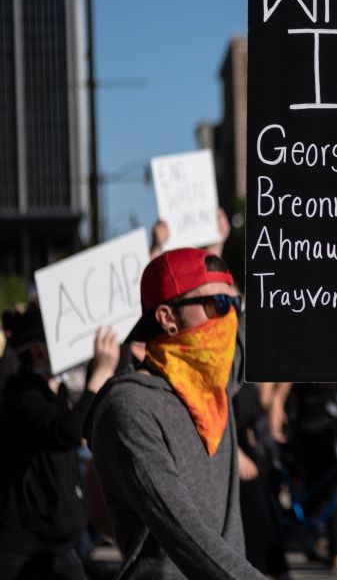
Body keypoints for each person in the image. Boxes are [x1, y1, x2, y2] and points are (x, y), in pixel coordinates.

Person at [84, 248, 265, 579]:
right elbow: (183, 531)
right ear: (167, 317)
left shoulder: (213, 385)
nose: (229, 319)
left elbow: (276, 304)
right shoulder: (128, 408)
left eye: (234, 305)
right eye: (217, 306)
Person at [0, 303, 119, 580]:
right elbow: (66, 432)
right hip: (24, 555)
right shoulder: (22, 395)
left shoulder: (49, 390)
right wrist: (100, 373)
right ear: (37, 350)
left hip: (57, 550)